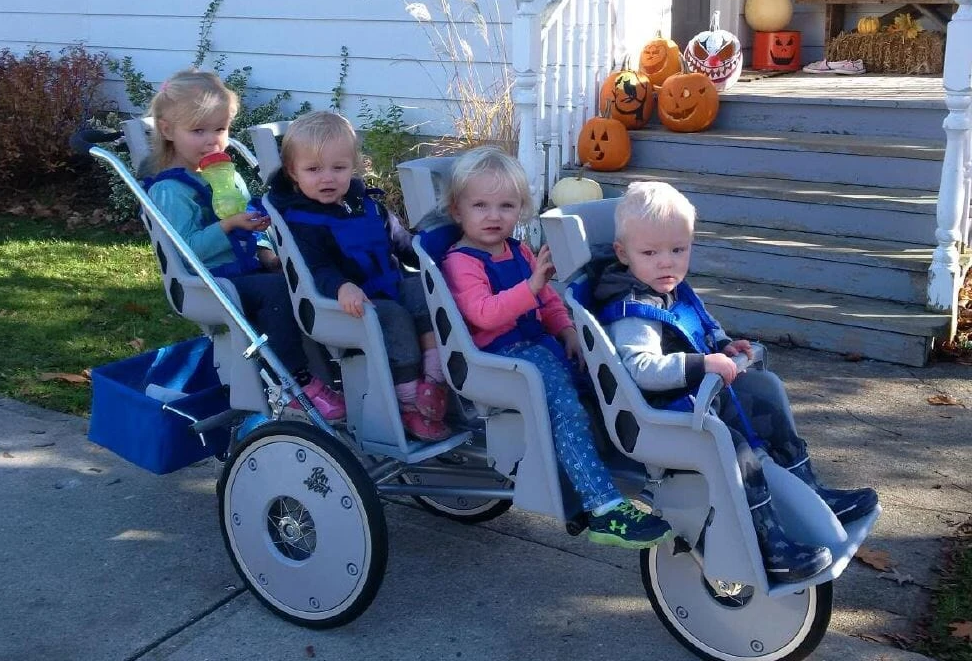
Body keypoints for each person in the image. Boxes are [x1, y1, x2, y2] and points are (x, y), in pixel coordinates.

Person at [592, 180, 879, 582]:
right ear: (623, 254)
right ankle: (770, 543)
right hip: (665, 417)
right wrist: (702, 363)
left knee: (766, 390)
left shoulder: (674, 290)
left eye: (678, 250)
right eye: (650, 253)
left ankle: (811, 491)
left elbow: (702, 325)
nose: (666, 263)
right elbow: (640, 368)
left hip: (700, 400)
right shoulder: (634, 312)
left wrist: (724, 345)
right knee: (736, 450)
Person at [440, 146, 673, 550]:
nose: (494, 216)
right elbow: (484, 314)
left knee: (602, 379)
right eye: (480, 206)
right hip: (498, 358)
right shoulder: (461, 261)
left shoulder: (518, 250)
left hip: (538, 345)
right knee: (565, 407)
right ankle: (603, 506)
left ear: (520, 209)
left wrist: (566, 330)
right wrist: (531, 286)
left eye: (506, 206)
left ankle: (637, 457)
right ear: (457, 211)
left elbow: (547, 301)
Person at [142, 69, 345, 421]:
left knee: (305, 280)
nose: (212, 140)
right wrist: (227, 225)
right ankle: (292, 381)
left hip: (247, 268)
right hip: (207, 281)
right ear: (168, 130)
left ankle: (331, 368)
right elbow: (187, 251)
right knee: (277, 292)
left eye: (220, 129)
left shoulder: (228, 175)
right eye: (198, 131)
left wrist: (265, 248)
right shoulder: (170, 190)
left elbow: (250, 218)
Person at [267, 111, 451, 442]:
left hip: (386, 286)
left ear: (354, 166)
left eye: (338, 168)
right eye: (313, 170)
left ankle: (434, 377)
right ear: (293, 172)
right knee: (393, 317)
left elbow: (401, 243)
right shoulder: (302, 221)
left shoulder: (366, 205)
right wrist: (341, 286)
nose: (327, 178)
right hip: (341, 305)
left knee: (424, 291)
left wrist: (433, 257)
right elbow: (315, 268)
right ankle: (409, 401)